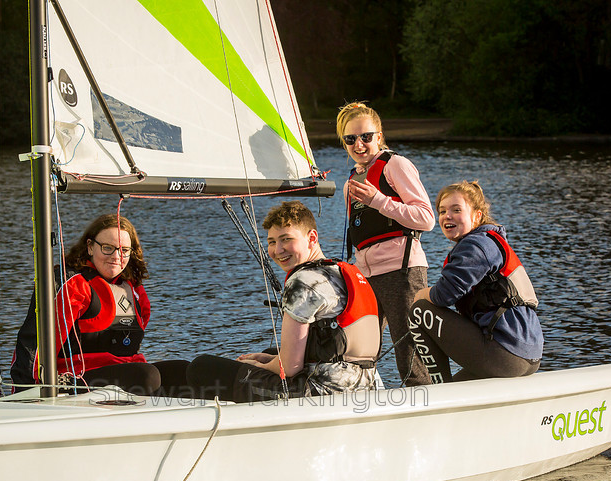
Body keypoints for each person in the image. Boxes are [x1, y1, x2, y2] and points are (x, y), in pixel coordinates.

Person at [186, 201, 382, 402]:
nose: (278, 250)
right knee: (270, 352)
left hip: (322, 392)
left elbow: (289, 368)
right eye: (271, 242)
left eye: (286, 239)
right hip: (366, 385)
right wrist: (271, 359)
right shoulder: (343, 274)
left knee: (201, 367)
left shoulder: (303, 281)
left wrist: (259, 367)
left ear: (311, 238)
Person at [10, 213, 186, 394]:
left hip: (130, 377)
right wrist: (25, 393)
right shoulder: (72, 284)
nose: (117, 256)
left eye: (124, 250)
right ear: (90, 247)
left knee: (185, 372)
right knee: (147, 376)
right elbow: (34, 344)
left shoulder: (134, 290)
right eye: (108, 248)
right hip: (73, 382)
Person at [335, 102, 436, 386]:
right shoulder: (351, 182)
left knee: (410, 353)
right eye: (351, 139)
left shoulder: (396, 165)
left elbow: (426, 219)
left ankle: (425, 406)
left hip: (402, 272)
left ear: (379, 136)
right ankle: (361, 403)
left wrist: (378, 200)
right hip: (366, 278)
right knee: (359, 350)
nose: (359, 144)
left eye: (366, 136)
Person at [410, 181, 543, 383]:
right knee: (459, 386)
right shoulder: (488, 242)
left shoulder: (476, 245)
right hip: (527, 355)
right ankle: (450, 391)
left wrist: (422, 294)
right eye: (442, 211)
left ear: (477, 216)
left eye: (457, 210)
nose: (447, 216)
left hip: (505, 353)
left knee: (420, 309)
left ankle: (438, 391)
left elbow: (445, 295)